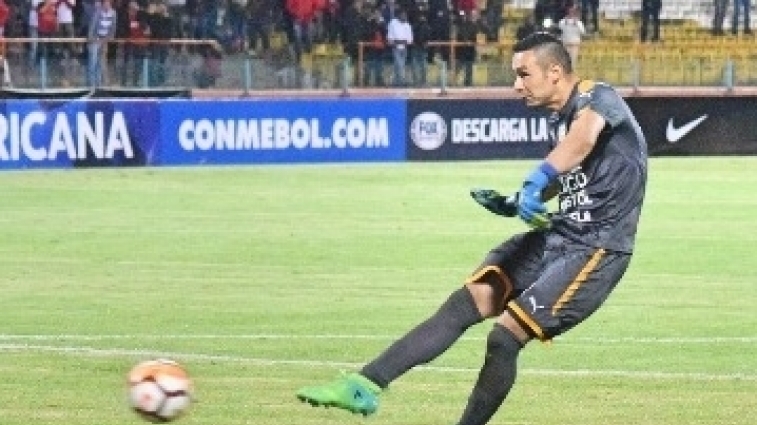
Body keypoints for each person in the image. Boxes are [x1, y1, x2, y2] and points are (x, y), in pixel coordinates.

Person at [295, 31, 648, 425]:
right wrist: (519, 199)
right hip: (561, 235)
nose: (516, 85)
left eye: (523, 74)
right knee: (467, 300)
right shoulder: (556, 119)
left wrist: (536, 178)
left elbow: (581, 141)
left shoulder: (597, 97)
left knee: (505, 336)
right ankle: (365, 384)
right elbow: (566, 171)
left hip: (598, 248)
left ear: (554, 72)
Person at [386, 8, 412, 86]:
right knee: (400, 65)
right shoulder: (393, 23)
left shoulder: (407, 25)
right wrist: (397, 42)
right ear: (399, 15)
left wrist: (400, 41)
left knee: (398, 66)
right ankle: (402, 81)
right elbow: (390, 37)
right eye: (403, 15)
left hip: (404, 48)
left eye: (405, 15)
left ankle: (396, 82)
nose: (405, 16)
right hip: (395, 48)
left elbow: (410, 39)